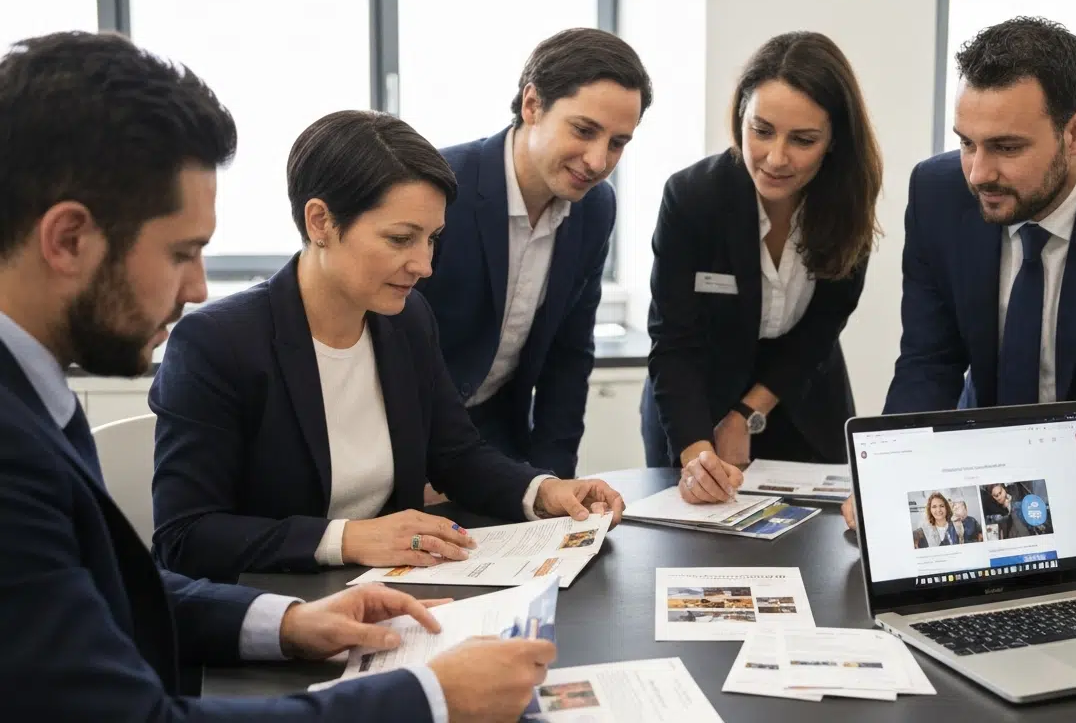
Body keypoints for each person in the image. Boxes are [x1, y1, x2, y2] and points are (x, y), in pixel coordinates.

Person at [0, 30, 554, 722]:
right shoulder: (17, 445)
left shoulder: (33, 395)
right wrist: (429, 698)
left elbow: (117, 589)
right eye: (182, 252)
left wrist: (289, 621)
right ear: (67, 239)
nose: (199, 287)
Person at [149, 110, 625, 583]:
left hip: (391, 593)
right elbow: (186, 536)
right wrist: (349, 538)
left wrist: (544, 491)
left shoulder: (406, 320)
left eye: (432, 239)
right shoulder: (216, 344)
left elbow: (457, 455)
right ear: (320, 221)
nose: (424, 265)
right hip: (276, 607)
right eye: (400, 239)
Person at [842, 17, 1076, 550]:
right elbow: (929, 363)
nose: (979, 172)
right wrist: (887, 484)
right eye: (967, 143)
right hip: (999, 493)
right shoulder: (938, 193)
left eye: (1006, 147)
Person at [640, 31, 882, 504]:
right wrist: (697, 455)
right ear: (740, 117)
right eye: (762, 130)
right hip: (693, 406)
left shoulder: (847, 200)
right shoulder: (693, 198)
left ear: (834, 141)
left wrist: (745, 415)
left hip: (802, 399)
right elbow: (674, 342)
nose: (775, 158)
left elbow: (822, 326)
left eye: (804, 140)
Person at [417, 29, 651, 480]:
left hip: (498, 437)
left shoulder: (595, 208)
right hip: (407, 435)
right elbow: (380, 338)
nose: (598, 161)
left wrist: (554, 480)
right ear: (532, 105)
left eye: (618, 143)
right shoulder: (443, 184)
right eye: (584, 130)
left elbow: (570, 354)